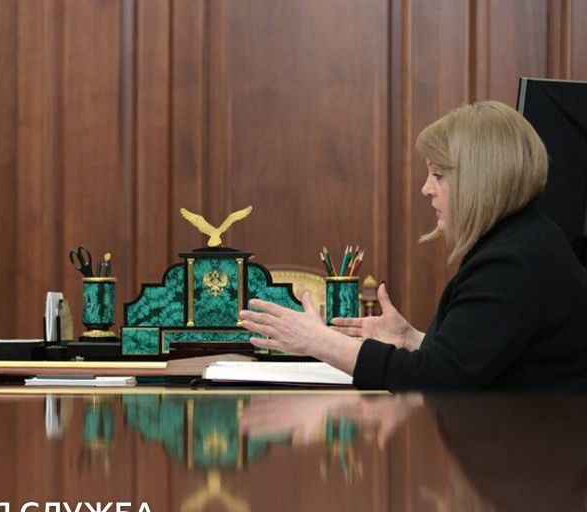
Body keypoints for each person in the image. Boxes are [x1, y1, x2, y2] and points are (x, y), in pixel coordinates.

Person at [240, 101, 587, 390]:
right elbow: (476, 360)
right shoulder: (527, 241)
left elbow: (436, 380)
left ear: (480, 180)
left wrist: (318, 341)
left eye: (438, 175)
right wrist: (414, 340)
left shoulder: (511, 263)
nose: (426, 189)